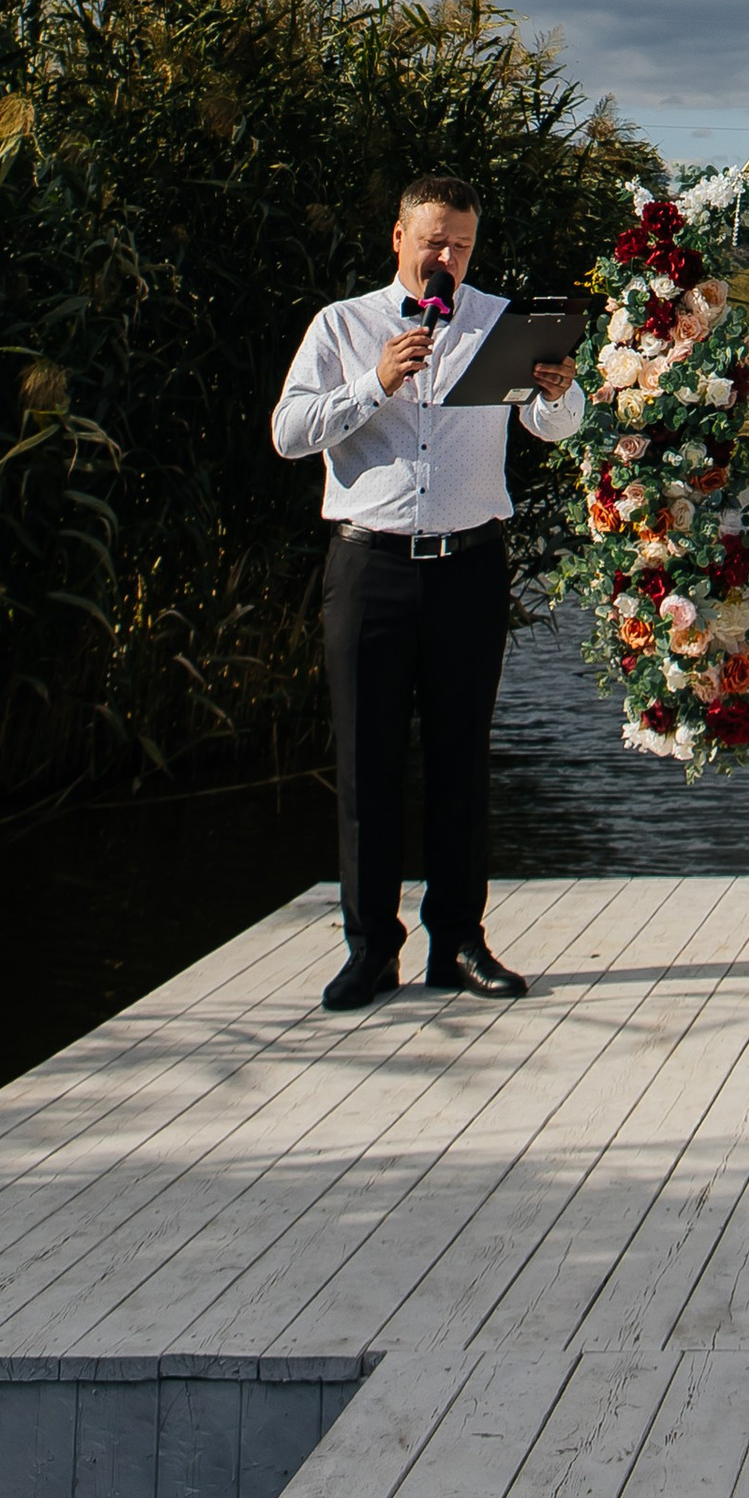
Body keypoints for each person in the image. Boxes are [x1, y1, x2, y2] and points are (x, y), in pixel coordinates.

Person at [272, 172, 584, 1011]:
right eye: (434, 241)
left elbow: (553, 427)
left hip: (470, 566)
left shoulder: (499, 323)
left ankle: (459, 944)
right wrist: (374, 382)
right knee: (368, 762)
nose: (447, 256)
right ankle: (372, 949)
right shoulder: (343, 326)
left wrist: (560, 394)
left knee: (460, 758)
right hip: (369, 566)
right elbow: (288, 433)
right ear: (400, 238)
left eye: (462, 245)